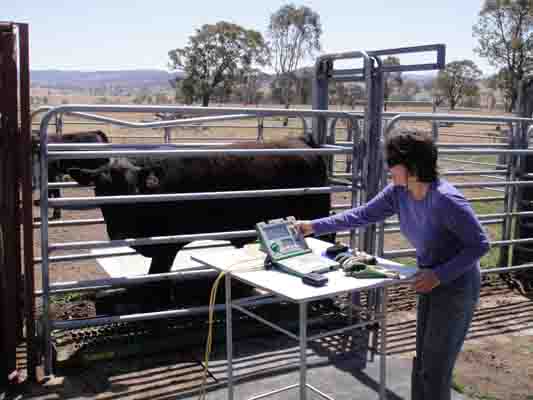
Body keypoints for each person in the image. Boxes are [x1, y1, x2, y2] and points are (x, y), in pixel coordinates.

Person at [296, 129, 490, 400]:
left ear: (412, 166)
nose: (388, 169)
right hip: (429, 280)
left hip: (456, 286)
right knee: (422, 363)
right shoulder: (399, 192)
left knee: (435, 370)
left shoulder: (446, 200)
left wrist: (439, 275)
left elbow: (480, 244)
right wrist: (312, 226)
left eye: (391, 163)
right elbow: (362, 215)